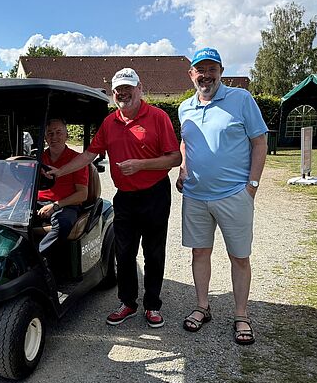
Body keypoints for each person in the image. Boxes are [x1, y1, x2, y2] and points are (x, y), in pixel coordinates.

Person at [48, 69, 181, 328]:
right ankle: (128, 302)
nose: (123, 93)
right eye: (118, 89)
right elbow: (89, 155)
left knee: (153, 252)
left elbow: (175, 158)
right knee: (124, 252)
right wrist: (60, 172)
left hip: (154, 194)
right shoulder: (110, 122)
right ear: (113, 92)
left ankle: (152, 305)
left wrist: (141, 165)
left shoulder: (158, 117)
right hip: (126, 198)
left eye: (128, 88)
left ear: (139, 88)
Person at [177, 47, 267, 345]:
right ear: (191, 75)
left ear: (221, 72)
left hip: (234, 195)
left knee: (239, 257)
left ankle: (241, 315)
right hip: (195, 196)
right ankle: (203, 306)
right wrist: (183, 168)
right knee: (199, 253)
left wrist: (251, 186)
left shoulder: (241, 99)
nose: (206, 75)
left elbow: (259, 142)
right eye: (200, 70)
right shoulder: (185, 108)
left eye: (212, 69)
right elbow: (185, 142)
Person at [36, 119, 89, 264]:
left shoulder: (76, 160)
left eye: (58, 132)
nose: (54, 137)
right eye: (50, 133)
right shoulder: (40, 158)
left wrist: (55, 206)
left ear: (67, 136)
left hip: (66, 204)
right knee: (10, 218)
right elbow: (27, 187)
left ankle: (38, 260)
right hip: (39, 202)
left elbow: (82, 194)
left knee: (62, 223)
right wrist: (9, 205)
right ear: (45, 138)